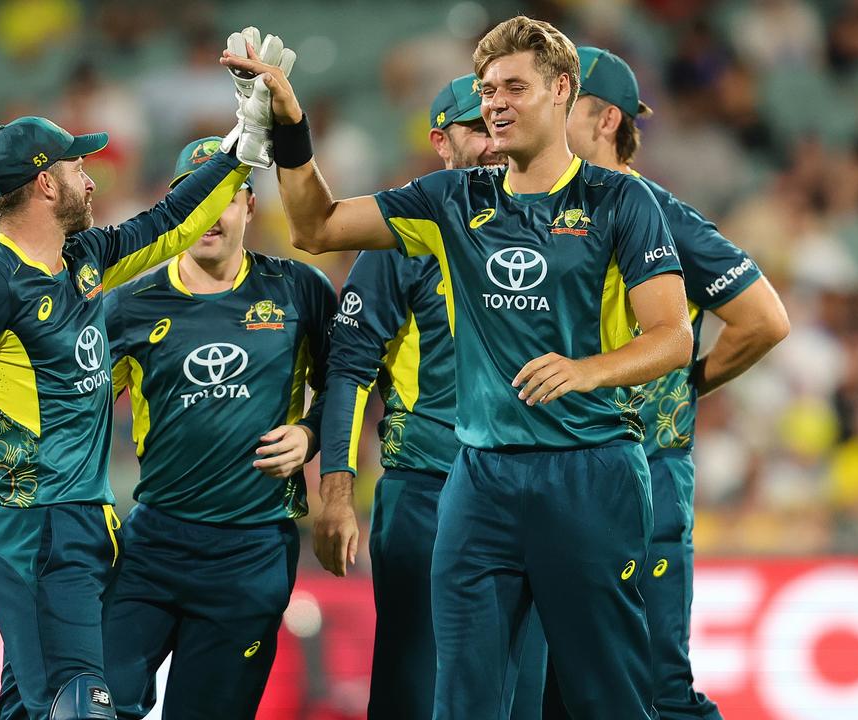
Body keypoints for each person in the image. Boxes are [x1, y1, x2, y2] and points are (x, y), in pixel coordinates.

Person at [224, 16, 693, 718]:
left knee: (607, 698)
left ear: (562, 90)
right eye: (485, 89)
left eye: (513, 86)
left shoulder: (621, 202)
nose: (495, 102)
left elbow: (673, 337)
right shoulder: (451, 201)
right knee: (462, 701)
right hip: (480, 483)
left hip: (590, 472)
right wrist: (291, 131)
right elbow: (314, 227)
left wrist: (587, 370)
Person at [0, 114, 256, 718]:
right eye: (79, 166)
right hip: (38, 530)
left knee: (29, 706)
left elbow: (168, 225)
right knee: (80, 701)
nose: (91, 180)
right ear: (47, 185)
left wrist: (239, 149)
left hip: (82, 526)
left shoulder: (82, 259)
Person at [558, 46, 790, 720]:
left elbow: (763, 320)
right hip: (560, 478)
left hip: (647, 477)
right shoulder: (538, 208)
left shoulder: (658, 213)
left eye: (561, 100)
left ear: (605, 120)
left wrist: (683, 388)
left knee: (656, 690)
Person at [312, 74, 546, 720]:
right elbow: (350, 366)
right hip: (430, 488)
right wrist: (336, 491)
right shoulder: (405, 233)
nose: (496, 137)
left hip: (535, 492)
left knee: (523, 696)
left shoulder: (559, 228)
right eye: (478, 126)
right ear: (441, 142)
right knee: (417, 692)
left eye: (505, 119)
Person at [100, 135, 334, 720]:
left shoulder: (300, 289)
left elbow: (351, 385)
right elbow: (78, 409)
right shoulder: (130, 306)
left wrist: (310, 433)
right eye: (196, 199)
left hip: (252, 553)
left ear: (250, 206)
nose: (211, 214)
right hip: (152, 547)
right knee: (91, 706)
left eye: (226, 197)